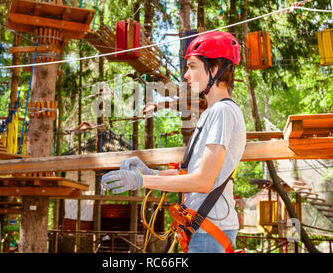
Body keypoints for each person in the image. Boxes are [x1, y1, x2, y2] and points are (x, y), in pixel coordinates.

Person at [101, 31, 247, 253]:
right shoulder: (211, 113)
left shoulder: (223, 112)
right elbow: (191, 173)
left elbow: (202, 181)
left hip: (211, 230)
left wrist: (141, 181)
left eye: (192, 66)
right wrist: (151, 173)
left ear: (214, 69)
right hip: (202, 229)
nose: (186, 75)